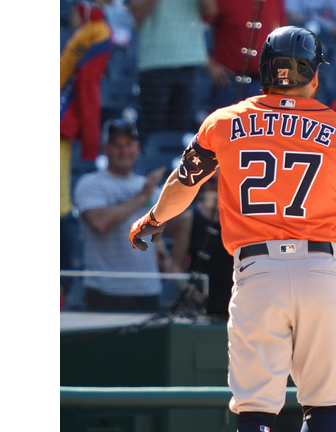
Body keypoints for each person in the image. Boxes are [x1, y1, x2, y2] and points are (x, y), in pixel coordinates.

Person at [128, 26, 336, 432]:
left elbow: (184, 184)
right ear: (315, 76)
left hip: (256, 272)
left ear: (266, 71)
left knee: (255, 409)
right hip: (318, 270)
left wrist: (154, 220)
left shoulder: (224, 121)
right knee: (322, 408)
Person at [73, 119, 178, 312]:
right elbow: (99, 222)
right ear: (105, 149)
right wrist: (143, 197)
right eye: (116, 145)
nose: (123, 151)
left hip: (147, 290)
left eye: (129, 144)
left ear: (138, 148)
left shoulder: (152, 190)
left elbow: (168, 232)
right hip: (104, 292)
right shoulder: (90, 183)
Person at [61, 1, 113, 295]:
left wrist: (92, 144)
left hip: (61, 130)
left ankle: (62, 291)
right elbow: (89, 89)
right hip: (61, 129)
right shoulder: (93, 30)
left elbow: (88, 87)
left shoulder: (95, 31)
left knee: (59, 209)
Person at [128, 0, 217, 139]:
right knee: (153, 134)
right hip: (154, 63)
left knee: (181, 136)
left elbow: (212, 11)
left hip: (188, 61)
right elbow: (138, 12)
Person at [205, 0, 287, 111]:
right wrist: (209, 63)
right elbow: (198, 29)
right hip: (227, 82)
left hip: (263, 84)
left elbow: (283, 36)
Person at [173, 172, 234, 321]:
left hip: (237, 303)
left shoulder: (241, 215)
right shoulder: (190, 217)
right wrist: (189, 291)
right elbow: (175, 267)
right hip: (200, 307)